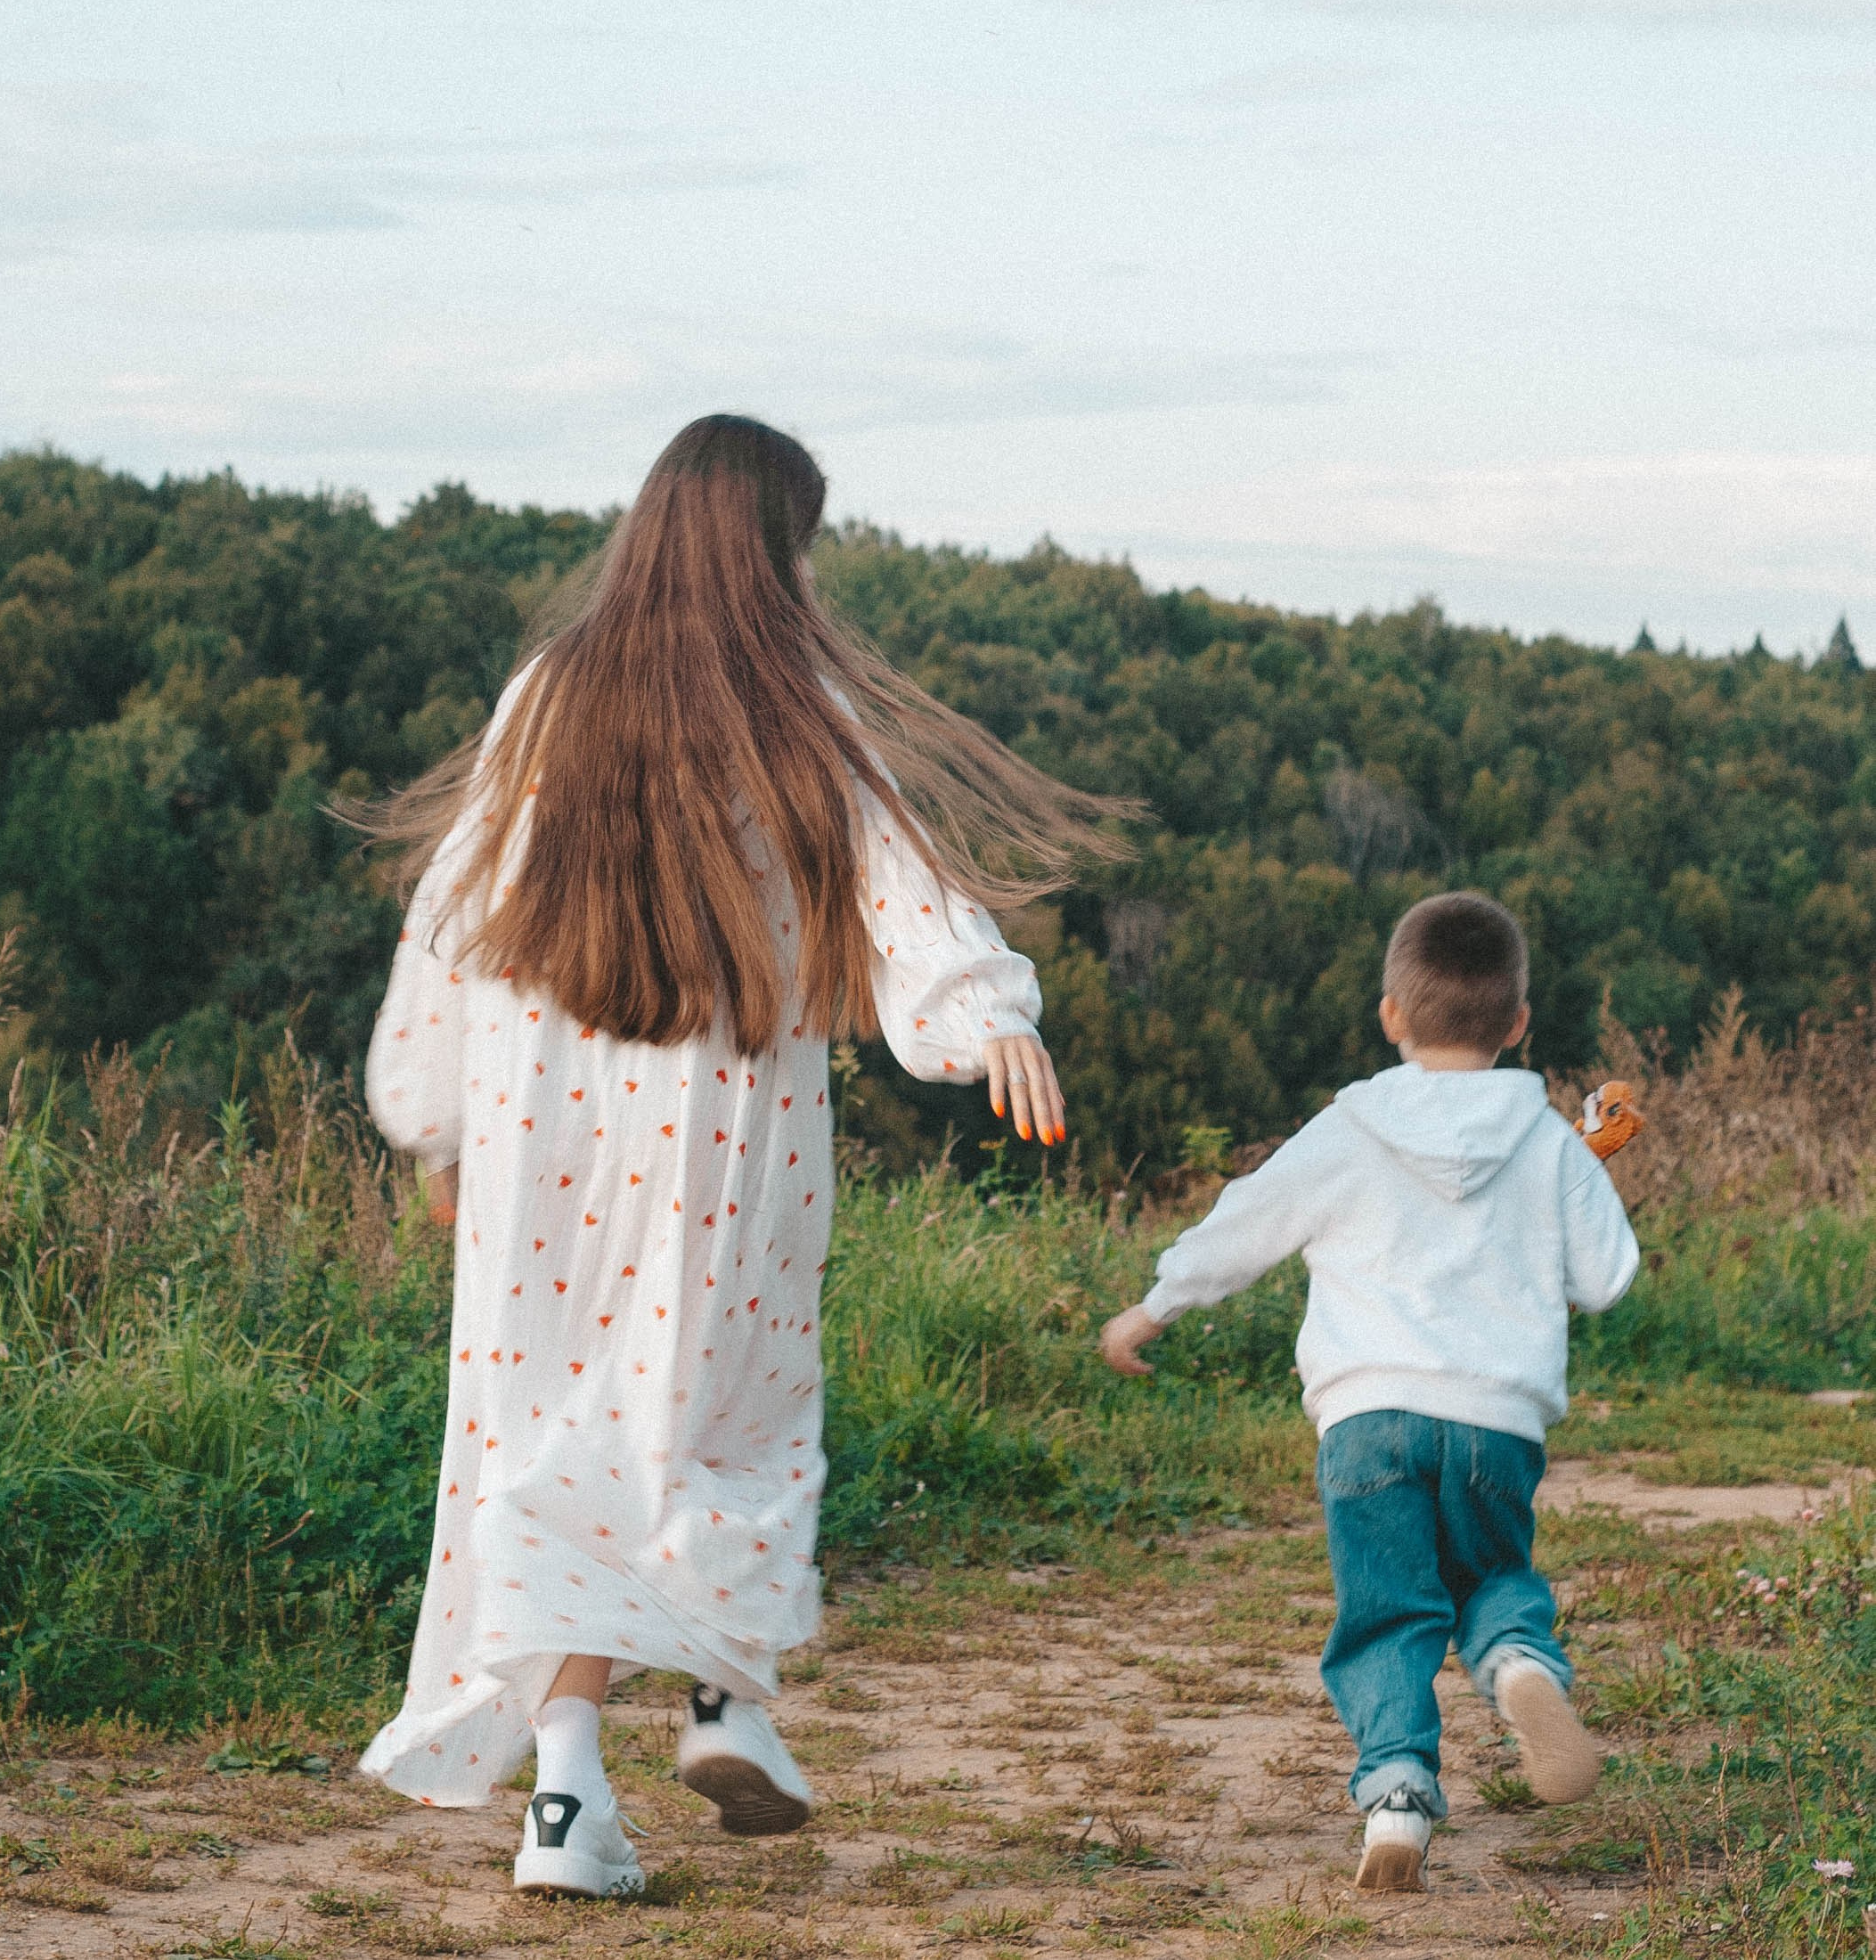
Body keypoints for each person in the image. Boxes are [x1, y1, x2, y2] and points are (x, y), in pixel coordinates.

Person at [357, 415, 1115, 1899]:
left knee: (561, 1448)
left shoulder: (547, 696)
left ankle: (567, 1794)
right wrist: (986, 1012)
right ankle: (724, 1694)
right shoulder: (797, 701)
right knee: (726, 1417)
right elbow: (904, 882)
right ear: (776, 548)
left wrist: (432, 1106)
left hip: (545, 1136)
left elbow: (455, 906)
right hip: (723, 1129)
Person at [1099, 889, 1639, 1894]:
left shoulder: (1348, 1128)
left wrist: (1153, 1305)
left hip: (1365, 1419)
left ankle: (1394, 1795)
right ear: (1518, 1023)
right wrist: (1584, 1167)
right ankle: (1519, 1665)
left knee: (1385, 1611)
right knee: (1488, 1577)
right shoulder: (1547, 1140)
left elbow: (1246, 1222)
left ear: (1389, 1013)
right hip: (1495, 1419)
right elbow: (1604, 1278)